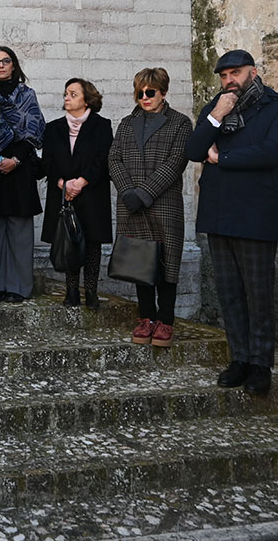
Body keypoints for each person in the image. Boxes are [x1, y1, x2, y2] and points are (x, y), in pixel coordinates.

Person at [186, 49, 278, 395]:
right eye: (223, 75)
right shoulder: (215, 108)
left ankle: (261, 364)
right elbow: (193, 149)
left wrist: (224, 157)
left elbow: (273, 151)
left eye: (235, 73)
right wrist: (216, 115)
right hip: (219, 212)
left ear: (253, 72)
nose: (229, 80)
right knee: (229, 293)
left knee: (258, 293)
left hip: (257, 213)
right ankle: (240, 359)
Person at [108, 67, 192, 348]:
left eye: (150, 92)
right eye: (139, 92)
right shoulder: (126, 123)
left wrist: (143, 193)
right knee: (139, 262)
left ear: (163, 92)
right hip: (130, 203)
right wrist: (127, 191)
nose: (144, 97)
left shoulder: (180, 123)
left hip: (163, 203)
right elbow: (114, 158)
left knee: (167, 262)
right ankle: (146, 318)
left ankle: (165, 321)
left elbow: (176, 161)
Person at [40, 78, 113, 310]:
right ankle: (71, 291)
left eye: (73, 94)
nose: (67, 98)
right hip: (63, 194)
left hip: (91, 193)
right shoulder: (53, 128)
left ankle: (91, 292)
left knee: (92, 243)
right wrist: (64, 183)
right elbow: (47, 163)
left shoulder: (102, 125)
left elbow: (103, 159)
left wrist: (80, 182)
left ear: (87, 98)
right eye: (65, 94)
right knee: (68, 241)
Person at [0, 46, 45, 302]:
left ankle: (19, 287)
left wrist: (15, 159)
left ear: (13, 64)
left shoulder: (26, 95)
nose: (0, 65)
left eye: (5, 61)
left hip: (20, 168)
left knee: (20, 231)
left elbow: (35, 130)